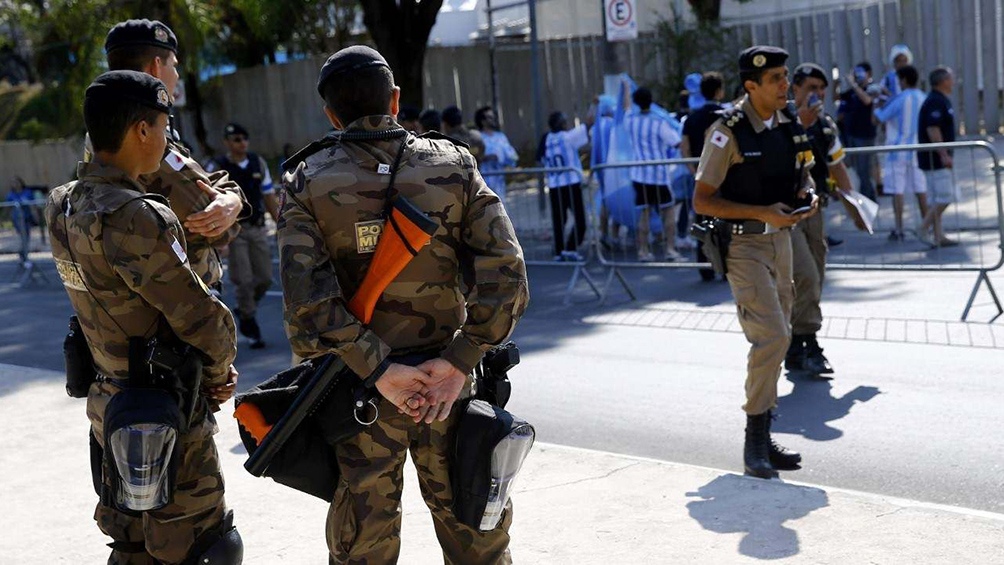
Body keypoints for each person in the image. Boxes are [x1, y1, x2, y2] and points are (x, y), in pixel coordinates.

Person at [278, 45, 529, 564]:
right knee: (478, 539)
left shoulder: (308, 181)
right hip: (447, 391)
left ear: (331, 115)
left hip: (359, 395)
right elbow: (507, 274)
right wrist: (459, 362)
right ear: (394, 99)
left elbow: (307, 303)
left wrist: (380, 370)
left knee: (362, 549)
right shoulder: (454, 165)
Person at [46, 70, 241, 564]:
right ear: (141, 130)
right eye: (161, 126)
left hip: (108, 406)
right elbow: (201, 317)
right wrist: (218, 376)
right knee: (204, 547)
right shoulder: (136, 215)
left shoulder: (62, 204)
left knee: (132, 547)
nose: (164, 138)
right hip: (165, 411)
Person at [693, 46, 817, 480]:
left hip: (781, 242)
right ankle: (754, 442)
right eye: (776, 79)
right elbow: (702, 199)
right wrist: (762, 212)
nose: (786, 85)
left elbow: (803, 174)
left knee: (779, 339)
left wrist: (808, 197)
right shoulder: (726, 132)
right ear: (751, 86)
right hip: (744, 247)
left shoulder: (788, 125)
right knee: (773, 337)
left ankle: (765, 434)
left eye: (786, 75)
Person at [85, 19, 248, 290]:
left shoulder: (106, 126)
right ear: (156, 67)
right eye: (174, 65)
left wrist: (231, 198)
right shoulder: (144, 135)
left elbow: (199, 179)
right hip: (180, 293)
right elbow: (207, 219)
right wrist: (233, 204)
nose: (177, 75)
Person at [787, 62, 856, 376]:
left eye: (821, 90)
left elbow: (837, 166)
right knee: (806, 275)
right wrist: (801, 121)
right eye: (811, 88)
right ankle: (810, 343)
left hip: (815, 212)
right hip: (785, 214)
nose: (817, 95)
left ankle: (794, 344)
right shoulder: (781, 120)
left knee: (815, 273)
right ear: (795, 89)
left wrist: (856, 209)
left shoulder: (825, 125)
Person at [207, 123, 280, 349]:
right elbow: (207, 199)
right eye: (236, 139)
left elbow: (268, 196)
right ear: (227, 142)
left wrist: (281, 224)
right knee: (244, 280)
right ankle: (249, 323)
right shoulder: (217, 166)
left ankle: (245, 308)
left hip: (257, 228)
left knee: (265, 278)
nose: (242, 143)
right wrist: (218, 236)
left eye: (244, 138)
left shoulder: (257, 163)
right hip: (234, 230)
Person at [624, 87, 682, 261]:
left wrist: (625, 90)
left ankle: (643, 250)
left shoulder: (630, 120)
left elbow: (626, 108)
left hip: (639, 174)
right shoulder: (659, 122)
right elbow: (675, 142)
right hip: (658, 174)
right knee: (668, 211)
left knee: (644, 213)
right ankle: (670, 249)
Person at [874, 65, 929, 241]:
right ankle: (926, 225)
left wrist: (877, 102)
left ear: (903, 80)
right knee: (921, 188)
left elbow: (879, 118)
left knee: (897, 190)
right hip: (918, 150)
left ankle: (899, 228)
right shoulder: (923, 98)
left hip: (897, 150)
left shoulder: (899, 99)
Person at [682, 71, 726, 281]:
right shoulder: (727, 116)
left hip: (701, 176)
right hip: (724, 177)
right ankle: (727, 266)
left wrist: (695, 172)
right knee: (726, 220)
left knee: (702, 222)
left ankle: (705, 266)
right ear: (719, 91)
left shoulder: (691, 118)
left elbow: (685, 148)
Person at [541, 110, 592, 261]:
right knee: (580, 220)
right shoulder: (568, 137)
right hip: (570, 183)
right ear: (562, 124)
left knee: (559, 220)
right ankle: (570, 247)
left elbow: (539, 157)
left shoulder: (546, 139)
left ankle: (559, 251)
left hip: (554, 184)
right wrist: (595, 106)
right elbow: (589, 124)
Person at [918, 66, 959, 247]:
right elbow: (933, 129)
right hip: (934, 159)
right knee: (945, 196)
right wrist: (943, 155)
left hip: (935, 158)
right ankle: (923, 228)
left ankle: (938, 235)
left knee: (936, 198)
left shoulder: (940, 99)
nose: (953, 82)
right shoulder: (935, 101)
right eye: (951, 78)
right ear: (943, 81)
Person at [837, 62, 879, 200]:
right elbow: (837, 98)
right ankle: (868, 198)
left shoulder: (872, 88)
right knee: (857, 170)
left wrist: (854, 84)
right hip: (851, 135)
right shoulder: (852, 92)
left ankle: (867, 199)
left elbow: (867, 101)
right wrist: (837, 83)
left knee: (864, 170)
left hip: (865, 136)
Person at [475, 105, 519, 204]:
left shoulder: (501, 137)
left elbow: (512, 156)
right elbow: (472, 157)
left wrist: (509, 161)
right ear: (483, 121)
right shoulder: (477, 137)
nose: (493, 119)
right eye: (490, 117)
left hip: (499, 185)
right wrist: (485, 157)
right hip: (482, 185)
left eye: (493, 116)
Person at [5, 176, 37, 263]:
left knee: (27, 235)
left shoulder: (27, 192)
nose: (15, 184)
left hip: (27, 217)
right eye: (13, 183)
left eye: (17, 182)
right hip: (17, 219)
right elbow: (8, 208)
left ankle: (23, 252)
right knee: (23, 235)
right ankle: (23, 253)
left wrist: (36, 215)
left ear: (21, 183)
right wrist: (5, 218)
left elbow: (33, 205)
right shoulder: (11, 195)